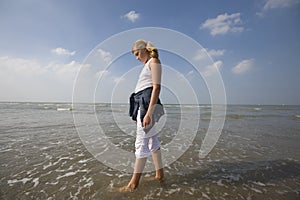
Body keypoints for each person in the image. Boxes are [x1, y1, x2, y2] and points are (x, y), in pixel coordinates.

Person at [119, 39, 164, 192]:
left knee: (141, 142)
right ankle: (160, 175)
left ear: (145, 49)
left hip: (147, 105)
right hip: (141, 104)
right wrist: (136, 112)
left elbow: (156, 88)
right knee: (152, 142)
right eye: (135, 55)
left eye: (138, 53)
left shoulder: (154, 61)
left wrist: (148, 113)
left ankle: (133, 184)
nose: (137, 57)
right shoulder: (147, 65)